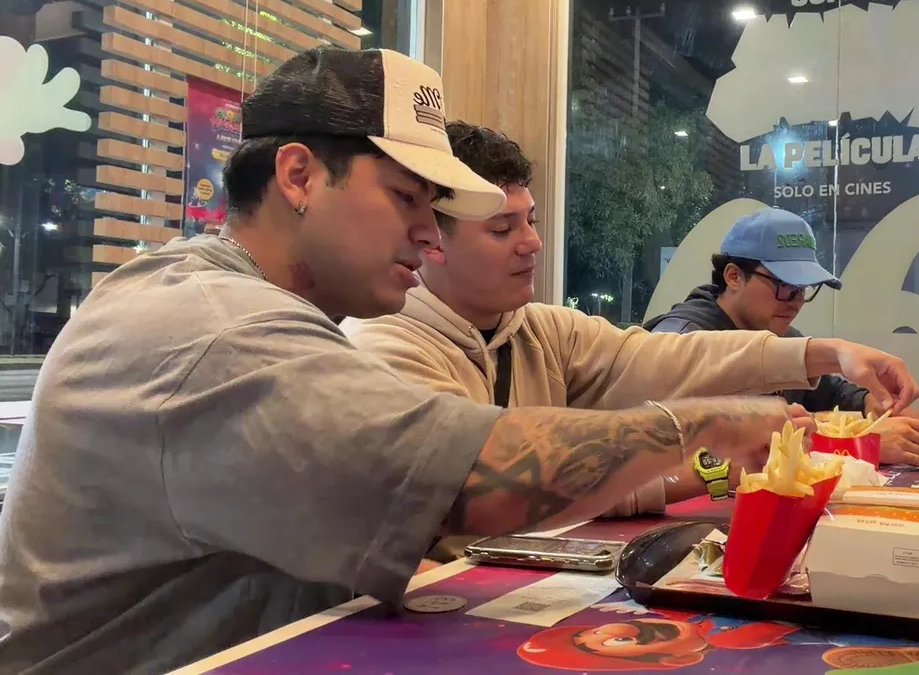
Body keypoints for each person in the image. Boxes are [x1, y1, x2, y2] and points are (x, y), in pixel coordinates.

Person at [0, 49, 844, 674]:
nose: (427, 233)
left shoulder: (269, 311)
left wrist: (806, 361)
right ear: (298, 176)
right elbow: (468, 482)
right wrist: (707, 428)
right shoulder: (212, 326)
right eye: (407, 198)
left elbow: (640, 361)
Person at [341, 123, 919, 524]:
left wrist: (828, 353)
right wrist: (711, 436)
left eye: (531, 221)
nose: (533, 243)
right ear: (431, 240)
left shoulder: (541, 329)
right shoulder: (383, 346)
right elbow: (493, 489)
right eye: (502, 229)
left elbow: (655, 359)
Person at [642, 208, 919, 471]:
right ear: (733, 276)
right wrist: (855, 445)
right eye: (785, 286)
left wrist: (874, 405)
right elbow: (682, 454)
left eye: (803, 289)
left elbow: (829, 392)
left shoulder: (781, 335)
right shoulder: (678, 341)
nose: (797, 302)